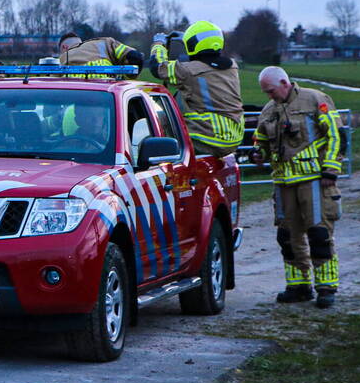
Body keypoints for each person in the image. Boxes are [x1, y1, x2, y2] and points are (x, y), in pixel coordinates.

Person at [252, 66, 343, 309]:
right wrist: (259, 153)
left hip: (314, 179)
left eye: (271, 91)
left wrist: (330, 169)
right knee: (287, 237)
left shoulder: (315, 99)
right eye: (266, 93)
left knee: (319, 234)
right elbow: (260, 139)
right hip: (283, 183)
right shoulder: (268, 110)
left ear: (284, 82)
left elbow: (335, 134)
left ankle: (326, 287)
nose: (269, 96)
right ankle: (299, 286)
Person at [147, 20, 244, 157]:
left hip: (208, 139)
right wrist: (186, 38)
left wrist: (159, 43)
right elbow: (207, 62)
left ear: (192, 45)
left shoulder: (187, 71)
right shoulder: (232, 67)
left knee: (176, 97)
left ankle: (164, 136)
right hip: (233, 138)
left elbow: (157, 67)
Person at [58, 32, 144, 77]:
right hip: (108, 86)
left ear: (64, 47)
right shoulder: (104, 43)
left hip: (76, 92)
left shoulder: (62, 59)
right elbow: (134, 56)